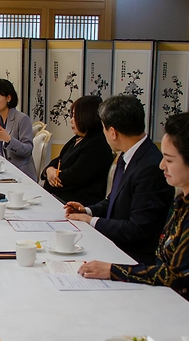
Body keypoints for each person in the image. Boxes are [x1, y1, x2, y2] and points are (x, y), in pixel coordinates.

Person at [77, 103, 189, 336]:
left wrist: (113, 270)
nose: (162, 165)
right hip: (174, 297)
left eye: (169, 160)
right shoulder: (186, 199)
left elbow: (174, 275)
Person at [64, 95, 174, 265]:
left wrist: (91, 221)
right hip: (115, 244)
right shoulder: (129, 155)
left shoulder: (150, 166)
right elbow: (115, 201)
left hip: (133, 258)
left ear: (113, 132)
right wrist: (87, 210)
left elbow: (137, 230)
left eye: (103, 128)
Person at [40, 95, 112, 205]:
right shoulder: (77, 139)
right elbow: (59, 160)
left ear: (87, 116)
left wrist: (51, 178)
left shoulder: (97, 144)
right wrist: (49, 170)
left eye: (75, 116)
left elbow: (72, 177)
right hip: (61, 198)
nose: (71, 120)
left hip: (77, 204)